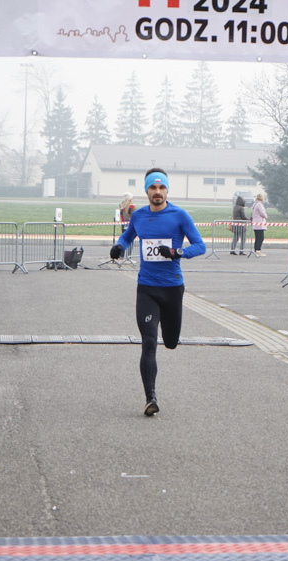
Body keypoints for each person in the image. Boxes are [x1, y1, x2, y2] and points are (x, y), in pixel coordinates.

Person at [109, 168, 206, 416]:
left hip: (172, 288)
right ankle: (150, 397)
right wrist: (119, 246)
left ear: (167, 191)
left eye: (162, 188)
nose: (158, 192)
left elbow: (200, 245)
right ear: (147, 191)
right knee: (149, 342)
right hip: (147, 289)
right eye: (153, 188)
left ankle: (169, 339)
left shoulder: (179, 216)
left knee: (170, 342)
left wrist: (177, 252)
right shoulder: (139, 216)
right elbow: (128, 236)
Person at [251, 192, 268, 256]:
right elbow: (262, 213)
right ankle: (258, 250)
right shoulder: (259, 205)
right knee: (261, 238)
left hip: (255, 224)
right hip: (259, 224)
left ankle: (256, 250)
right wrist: (266, 216)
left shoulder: (255, 204)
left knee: (257, 238)